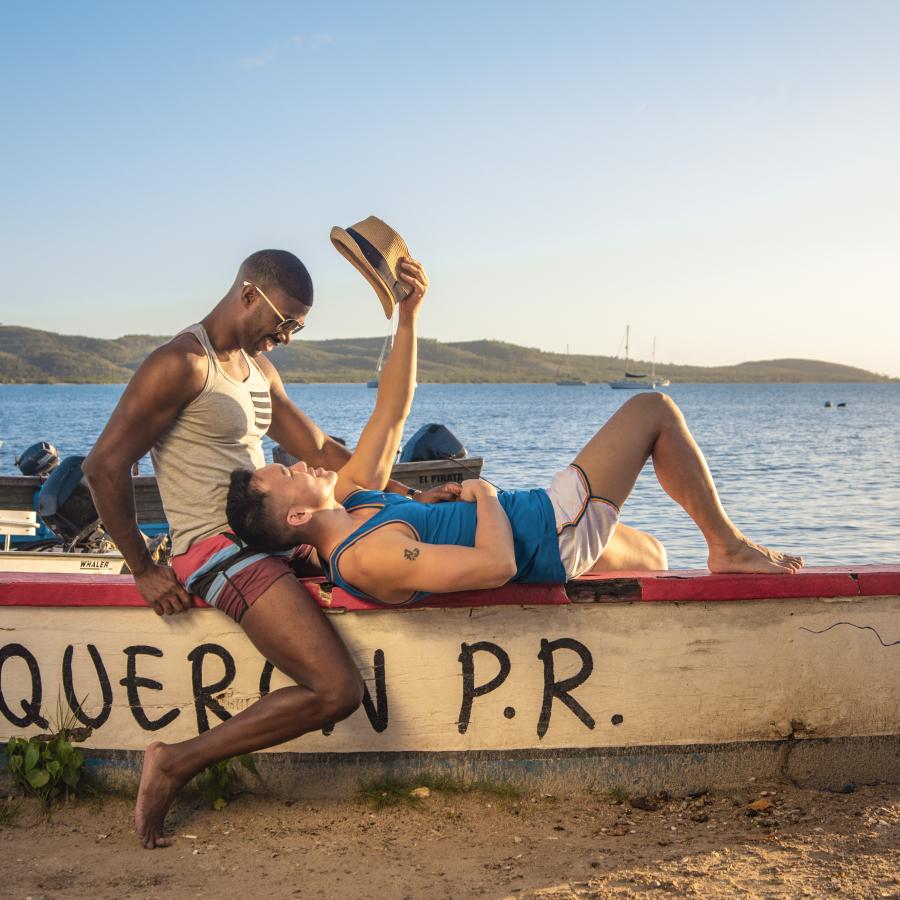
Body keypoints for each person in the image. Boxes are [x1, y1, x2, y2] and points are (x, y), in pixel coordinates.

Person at [82, 249, 446, 848]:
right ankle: (174, 762)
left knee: (394, 543)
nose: (287, 337)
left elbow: (323, 448)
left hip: (273, 533)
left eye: (298, 327)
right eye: (284, 322)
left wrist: (407, 497)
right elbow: (103, 467)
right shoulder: (182, 364)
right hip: (216, 548)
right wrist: (143, 568)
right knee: (337, 690)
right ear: (249, 293)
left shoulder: (258, 371)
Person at [226, 273, 803, 612]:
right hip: (546, 529)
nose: (300, 462)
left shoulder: (352, 502)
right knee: (652, 409)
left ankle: (701, 565)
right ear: (299, 513)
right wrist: (482, 494)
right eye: (287, 473)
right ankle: (728, 546)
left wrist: (408, 315)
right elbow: (497, 564)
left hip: (549, 534)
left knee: (655, 555)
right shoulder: (365, 554)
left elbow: (392, 412)